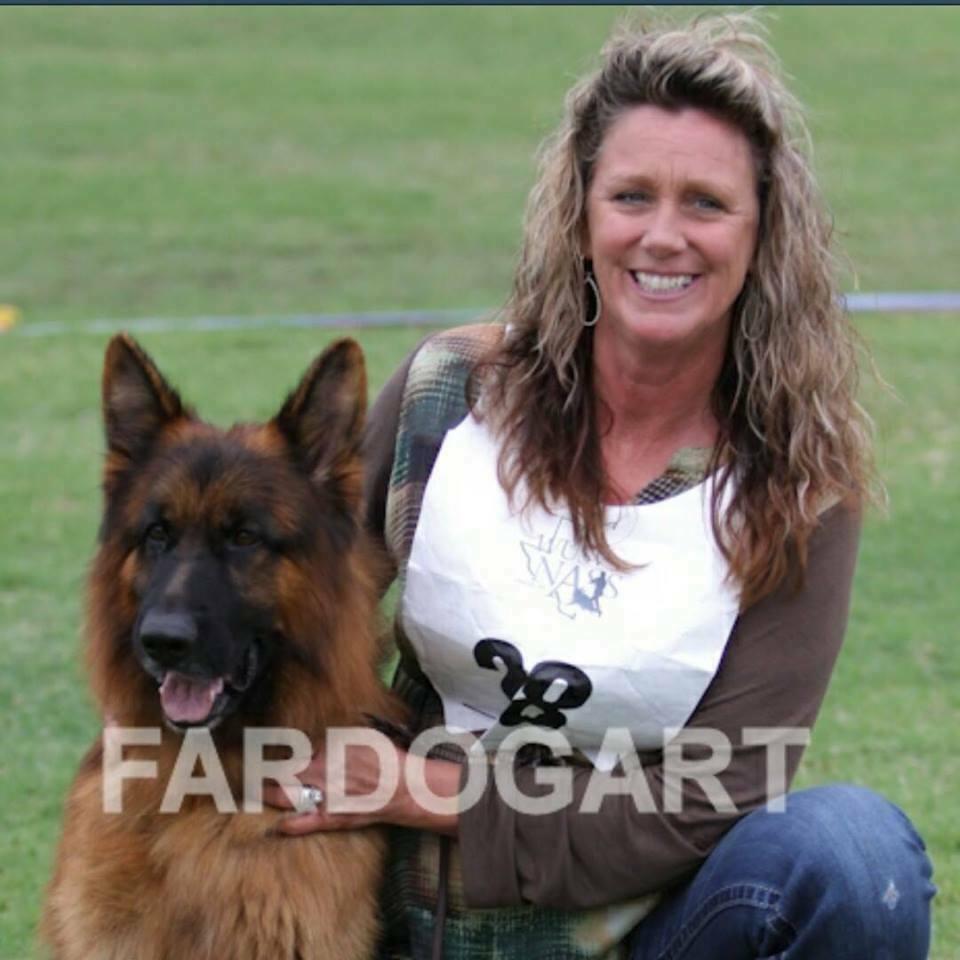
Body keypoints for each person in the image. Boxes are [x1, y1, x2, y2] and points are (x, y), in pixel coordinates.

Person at [265, 12, 935, 959]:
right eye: (631, 196)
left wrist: (435, 791)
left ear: (762, 236)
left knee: (854, 852)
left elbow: (716, 796)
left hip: (644, 930)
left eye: (706, 204)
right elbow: (281, 612)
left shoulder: (798, 485)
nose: (663, 236)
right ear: (580, 218)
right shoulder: (446, 394)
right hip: (398, 915)